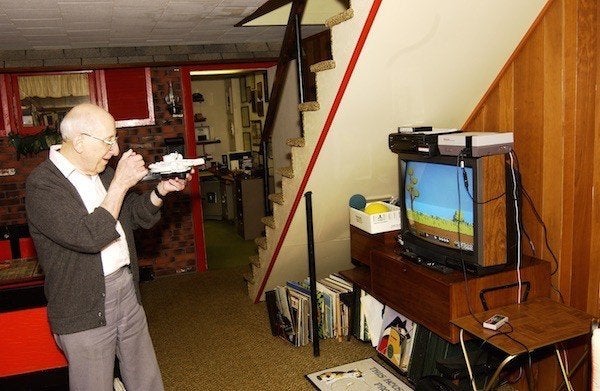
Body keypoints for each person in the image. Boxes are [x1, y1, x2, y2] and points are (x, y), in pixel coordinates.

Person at [25, 103, 191, 391]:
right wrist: (120, 183)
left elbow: (133, 217)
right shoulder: (43, 185)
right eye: (108, 141)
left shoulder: (100, 171)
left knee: (145, 377)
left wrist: (160, 191)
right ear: (79, 142)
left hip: (125, 289)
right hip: (82, 303)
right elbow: (89, 236)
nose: (114, 150)